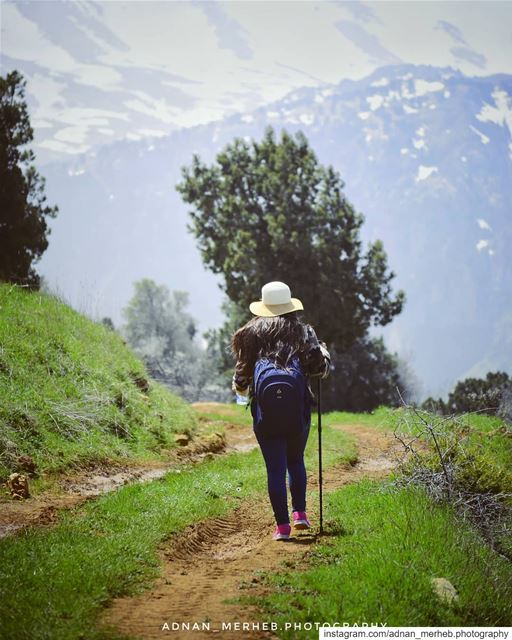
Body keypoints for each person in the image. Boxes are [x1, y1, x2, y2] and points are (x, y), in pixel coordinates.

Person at [231, 281, 330, 540]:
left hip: (265, 412)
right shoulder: (302, 331)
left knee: (275, 468)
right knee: (295, 460)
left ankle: (282, 528)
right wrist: (324, 353)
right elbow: (319, 369)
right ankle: (301, 515)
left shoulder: (249, 334)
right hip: (297, 408)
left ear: (263, 306)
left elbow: (241, 381)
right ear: (289, 305)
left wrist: (242, 393)